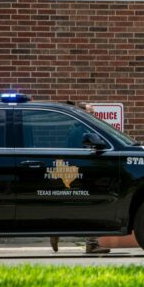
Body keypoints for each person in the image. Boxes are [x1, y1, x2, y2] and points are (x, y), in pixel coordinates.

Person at [50, 101, 111, 254]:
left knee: (76, 206)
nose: (93, 116)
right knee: (91, 207)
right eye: (90, 113)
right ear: (82, 113)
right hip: (81, 174)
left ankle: (56, 229)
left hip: (77, 173)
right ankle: (91, 243)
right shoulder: (81, 131)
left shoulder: (77, 129)